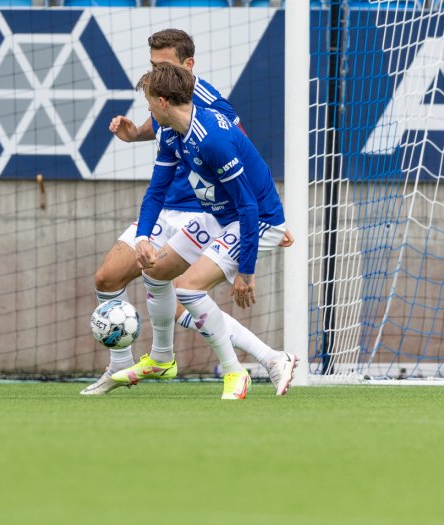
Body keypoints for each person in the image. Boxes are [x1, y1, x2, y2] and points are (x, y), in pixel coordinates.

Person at [82, 29, 297, 396]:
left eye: (157, 75)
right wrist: (145, 238)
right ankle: (162, 358)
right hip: (213, 214)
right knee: (147, 273)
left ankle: (239, 370)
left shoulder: (212, 125)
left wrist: (252, 257)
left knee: (187, 289)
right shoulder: (169, 132)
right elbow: (155, 189)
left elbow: (244, 188)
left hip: (235, 214)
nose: (149, 95)